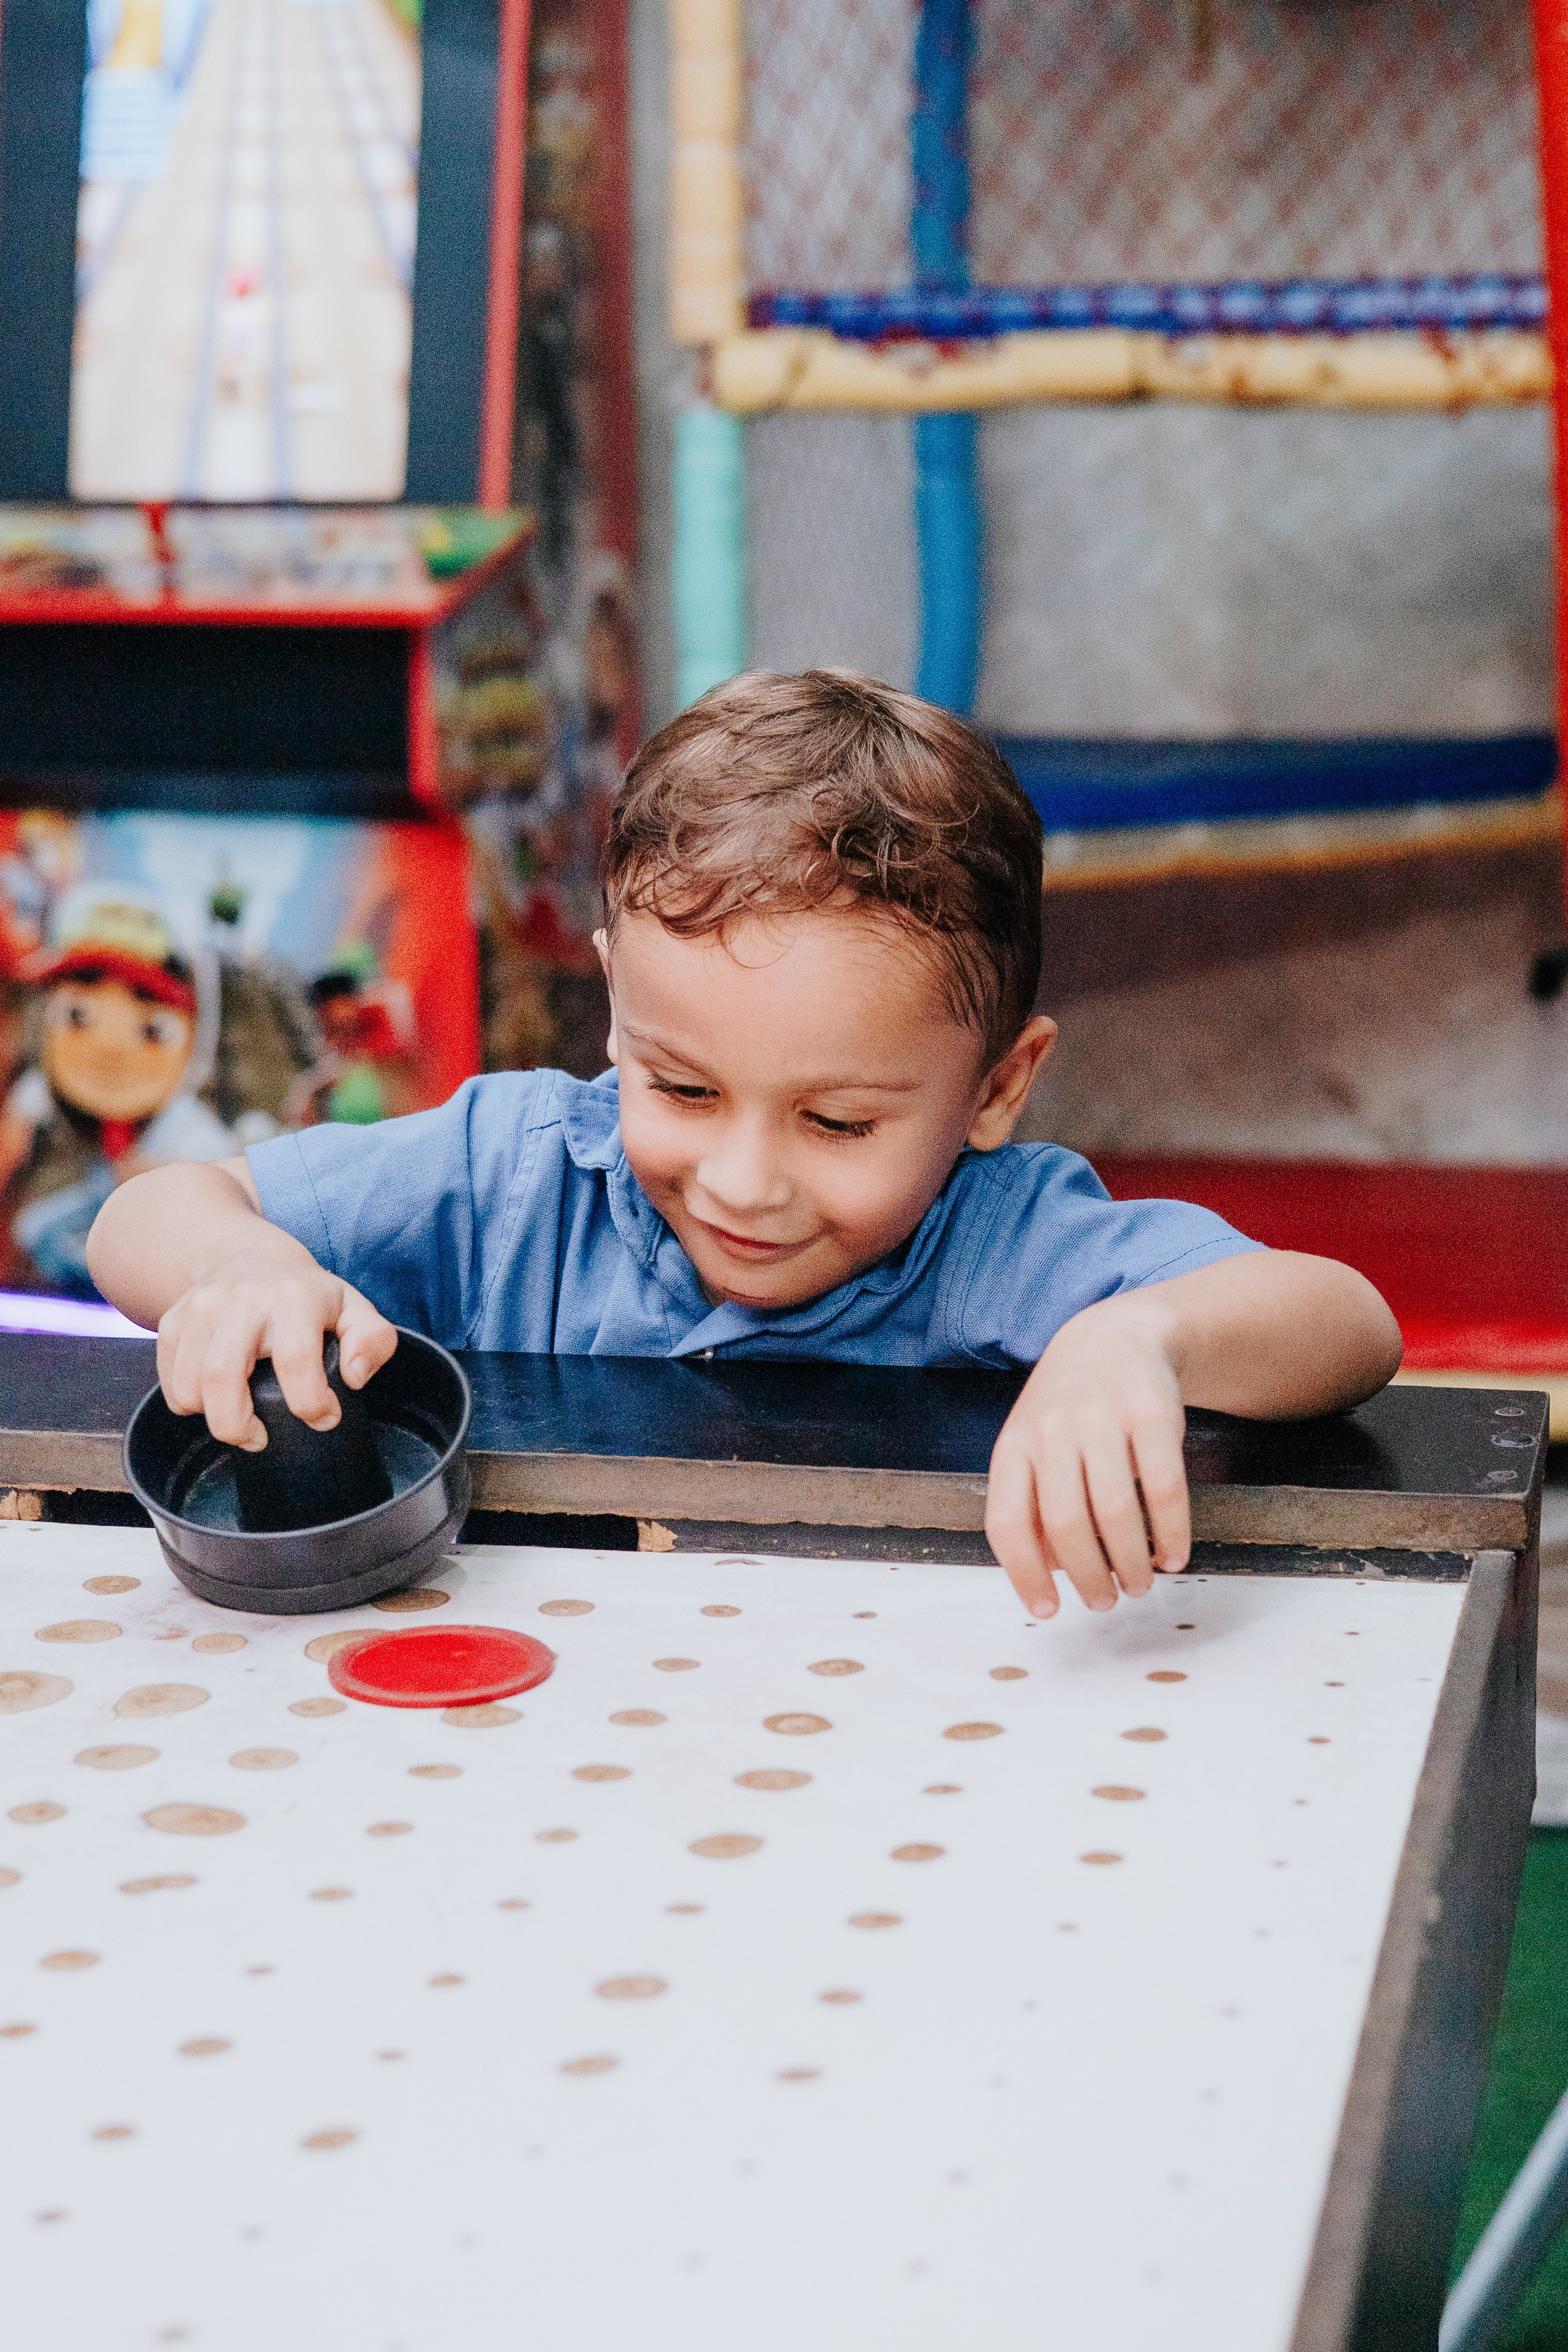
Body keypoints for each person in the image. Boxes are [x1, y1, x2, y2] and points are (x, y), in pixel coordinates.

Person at [86, 671, 1401, 1620]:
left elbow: (1346, 1325)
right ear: (615, 1010)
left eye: (836, 1122)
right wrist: (238, 1271)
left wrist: (1132, 1339)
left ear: (996, 1088)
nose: (741, 1181)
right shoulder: (513, 1171)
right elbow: (146, 1213)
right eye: (682, 1088)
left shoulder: (996, 1237)